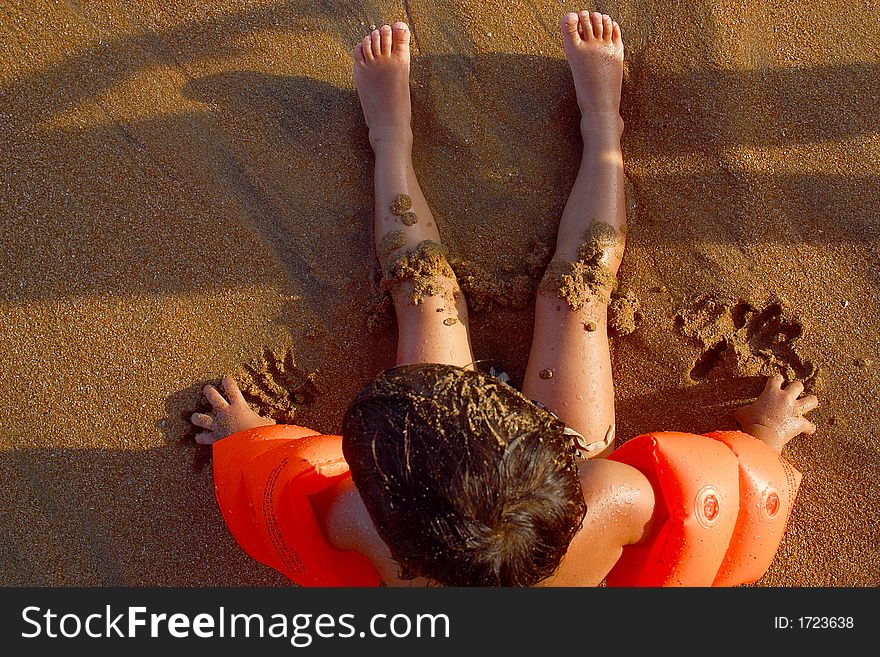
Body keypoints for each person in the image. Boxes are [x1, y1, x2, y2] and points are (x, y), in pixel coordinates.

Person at [190, 12, 818, 587]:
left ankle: (390, 140)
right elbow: (726, 494)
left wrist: (245, 437)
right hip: (559, 471)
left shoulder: (369, 525)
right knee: (581, 299)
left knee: (422, 292)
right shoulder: (610, 498)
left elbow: (282, 492)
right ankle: (604, 126)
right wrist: (764, 436)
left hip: (488, 480)